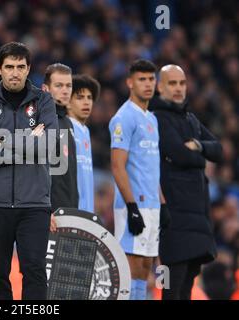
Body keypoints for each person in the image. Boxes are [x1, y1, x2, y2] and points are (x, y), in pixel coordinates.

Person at [0, 42, 58, 300]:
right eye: (9, 67)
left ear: (29, 69)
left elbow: (50, 146)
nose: (15, 72)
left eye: (21, 67)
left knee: (35, 272)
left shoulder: (44, 100)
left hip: (34, 205)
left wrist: (2, 141)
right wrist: (29, 138)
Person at [151, 64, 222, 300]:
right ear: (160, 87)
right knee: (172, 286)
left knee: (186, 287)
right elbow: (178, 153)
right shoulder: (157, 117)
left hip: (197, 217)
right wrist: (202, 158)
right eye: (172, 83)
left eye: (182, 83)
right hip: (173, 217)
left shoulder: (190, 118)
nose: (179, 88)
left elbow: (219, 149)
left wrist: (199, 146)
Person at [108, 59, 169, 300]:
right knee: (131, 264)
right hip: (134, 204)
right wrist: (131, 206)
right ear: (130, 83)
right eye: (141, 79)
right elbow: (117, 166)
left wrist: (162, 203)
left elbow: (151, 166)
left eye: (151, 79)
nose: (147, 84)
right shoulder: (124, 117)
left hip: (152, 203)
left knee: (146, 265)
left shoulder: (151, 119)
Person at [42, 63, 78, 232]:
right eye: (59, 85)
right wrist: (44, 210)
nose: (65, 90)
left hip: (69, 211)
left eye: (68, 85)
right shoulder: (39, 120)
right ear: (45, 88)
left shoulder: (67, 121)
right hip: (49, 215)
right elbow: (33, 169)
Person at [67, 74, 101, 213]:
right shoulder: (65, 128)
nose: (86, 102)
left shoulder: (85, 131)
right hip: (70, 210)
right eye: (80, 98)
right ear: (68, 102)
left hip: (86, 211)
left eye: (89, 98)